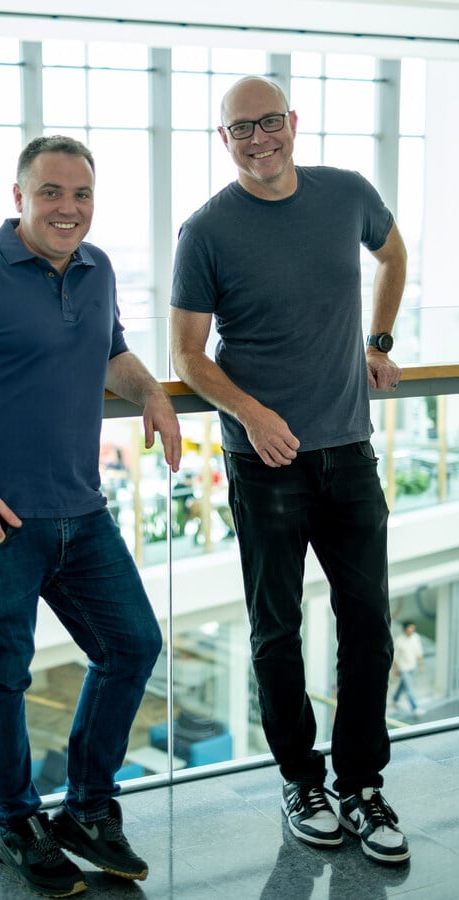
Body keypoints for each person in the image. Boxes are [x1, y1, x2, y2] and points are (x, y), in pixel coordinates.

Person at [0, 134, 181, 898]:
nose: (68, 208)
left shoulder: (98, 268)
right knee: (2, 673)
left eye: (81, 194)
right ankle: (17, 824)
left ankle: (87, 809)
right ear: (19, 197)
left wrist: (153, 393)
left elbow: (112, 353)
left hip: (81, 512)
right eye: (51, 192)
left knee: (133, 645)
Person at [170, 75, 410, 865]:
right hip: (264, 462)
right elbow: (186, 355)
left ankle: (362, 784)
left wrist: (377, 343)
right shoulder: (206, 231)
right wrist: (252, 413)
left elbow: (393, 254)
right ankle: (302, 781)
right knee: (276, 630)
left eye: (269, 121)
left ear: (293, 122)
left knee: (368, 624)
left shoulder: (347, 194)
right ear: (225, 139)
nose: (258, 139)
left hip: (349, 451)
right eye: (241, 128)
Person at [393, 622, 425, 714]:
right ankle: (415, 708)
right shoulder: (399, 640)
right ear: (405, 629)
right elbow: (396, 657)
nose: (412, 630)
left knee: (403, 685)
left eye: (413, 628)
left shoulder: (416, 637)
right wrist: (395, 670)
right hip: (403, 669)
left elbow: (419, 652)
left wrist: (421, 665)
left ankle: (395, 698)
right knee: (409, 689)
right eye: (410, 628)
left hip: (412, 667)